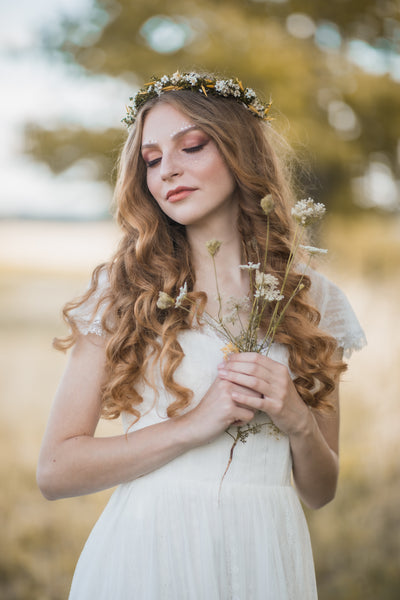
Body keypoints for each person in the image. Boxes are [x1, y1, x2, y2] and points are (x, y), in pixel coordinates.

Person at [37, 71, 366, 599]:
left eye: (191, 146)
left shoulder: (311, 300)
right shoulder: (124, 292)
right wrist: (195, 424)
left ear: (241, 153)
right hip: (148, 556)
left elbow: (320, 492)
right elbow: (55, 471)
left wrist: (298, 420)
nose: (169, 170)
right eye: (152, 159)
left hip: (267, 557)